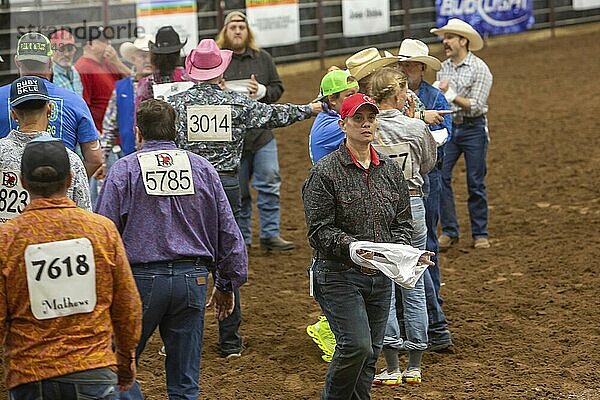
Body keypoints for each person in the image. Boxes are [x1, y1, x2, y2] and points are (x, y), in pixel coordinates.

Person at [169, 39, 320, 359]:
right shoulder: (235, 103)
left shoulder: (176, 104)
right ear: (220, 70)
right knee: (227, 256)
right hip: (225, 184)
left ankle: (179, 340)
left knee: (185, 258)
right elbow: (273, 116)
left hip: (188, 185)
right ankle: (230, 341)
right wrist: (311, 108)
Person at [96, 99, 248, 400]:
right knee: (184, 382)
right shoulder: (203, 168)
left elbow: (104, 232)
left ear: (138, 133)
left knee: (118, 367)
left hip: (140, 280)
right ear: (176, 130)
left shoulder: (124, 170)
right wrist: (227, 283)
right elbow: (228, 230)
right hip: (193, 280)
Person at [303, 92, 433, 399]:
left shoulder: (389, 171)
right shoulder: (324, 172)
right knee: (356, 345)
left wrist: (401, 254)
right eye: (357, 119)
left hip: (378, 276)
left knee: (370, 352)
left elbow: (402, 222)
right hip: (337, 274)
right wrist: (353, 248)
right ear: (342, 124)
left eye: (370, 118)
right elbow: (319, 230)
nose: (366, 125)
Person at [0, 138, 141, 399]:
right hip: (93, 368)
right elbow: (127, 305)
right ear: (70, 180)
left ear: (22, 181)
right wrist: (125, 359)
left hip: (31, 374)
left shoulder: (7, 239)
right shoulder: (101, 231)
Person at [368, 67, 437, 386]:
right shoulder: (415, 127)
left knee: (385, 285)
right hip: (412, 201)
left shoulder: (368, 128)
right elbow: (428, 163)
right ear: (399, 96)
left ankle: (392, 364)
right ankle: (416, 364)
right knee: (415, 281)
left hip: (380, 206)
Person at [216, 10, 295, 251]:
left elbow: (277, 88)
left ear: (247, 31)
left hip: (262, 134)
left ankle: (270, 234)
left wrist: (262, 92)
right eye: (233, 27)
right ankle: (242, 239)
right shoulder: (218, 61)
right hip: (231, 138)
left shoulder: (263, 58)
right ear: (225, 31)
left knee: (269, 182)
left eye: (242, 26)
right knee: (238, 192)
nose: (238, 30)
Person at [396, 38, 454, 351]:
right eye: (401, 64)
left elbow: (445, 135)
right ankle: (430, 314)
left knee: (426, 242)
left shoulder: (432, 96)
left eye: (408, 64)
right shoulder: (409, 97)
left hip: (425, 175)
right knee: (423, 242)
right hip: (421, 174)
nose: (404, 69)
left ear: (420, 67)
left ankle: (431, 313)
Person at [0, 32, 102, 177]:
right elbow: (95, 159)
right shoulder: (74, 101)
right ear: (49, 61)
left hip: (7, 193)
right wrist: (67, 186)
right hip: (59, 192)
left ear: (17, 61)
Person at [431, 18, 493, 249]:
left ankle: (480, 233)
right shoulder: (443, 67)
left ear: (463, 41)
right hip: (450, 127)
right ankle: (450, 230)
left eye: (449, 38)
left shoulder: (480, 69)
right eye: (445, 38)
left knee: (475, 182)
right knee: (441, 178)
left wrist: (451, 94)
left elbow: (476, 105)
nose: (445, 42)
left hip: (472, 128)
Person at [1, 76, 91, 224]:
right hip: (59, 244)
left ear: (14, 115)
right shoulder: (70, 160)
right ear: (49, 109)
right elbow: (85, 217)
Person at [75, 32, 132, 132]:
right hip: (103, 132)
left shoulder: (109, 62)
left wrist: (117, 62)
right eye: (104, 42)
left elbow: (134, 82)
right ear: (90, 44)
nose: (109, 44)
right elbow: (82, 107)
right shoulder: (83, 68)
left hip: (120, 130)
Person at [308, 69, 359, 164]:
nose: (356, 100)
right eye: (350, 95)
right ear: (332, 99)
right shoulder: (334, 126)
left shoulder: (326, 118)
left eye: (357, 94)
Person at [135, 26, 188, 107]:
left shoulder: (146, 84)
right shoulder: (188, 79)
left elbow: (138, 114)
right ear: (178, 54)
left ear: (155, 56)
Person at [50, 30, 83, 96]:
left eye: (70, 49)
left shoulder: (74, 71)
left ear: (74, 50)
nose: (66, 54)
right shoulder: (48, 75)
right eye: (61, 49)